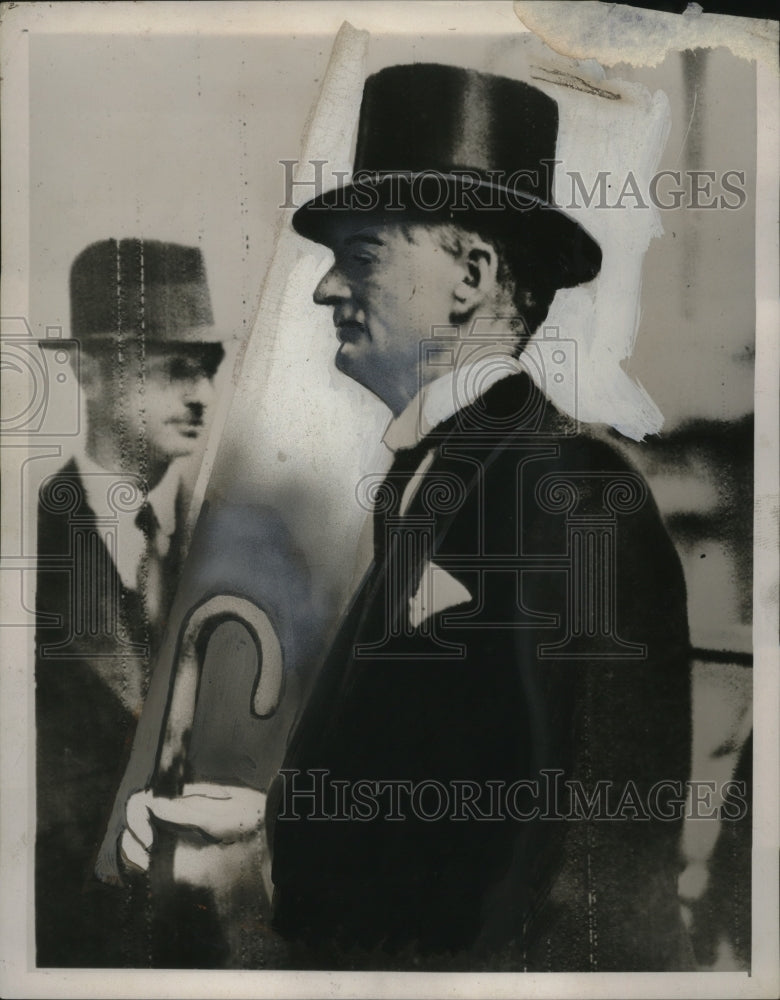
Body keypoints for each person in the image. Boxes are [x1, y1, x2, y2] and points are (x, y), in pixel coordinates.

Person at [122, 65, 693, 971]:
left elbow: (595, 880)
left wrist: (255, 891)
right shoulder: (435, 479)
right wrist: (268, 835)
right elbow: (440, 804)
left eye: (363, 256)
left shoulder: (571, 490)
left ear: (471, 276)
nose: (325, 290)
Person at [35, 238, 226, 966]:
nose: (201, 394)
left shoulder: (226, 549)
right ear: (88, 372)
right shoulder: (26, 546)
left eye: (209, 368)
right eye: (174, 367)